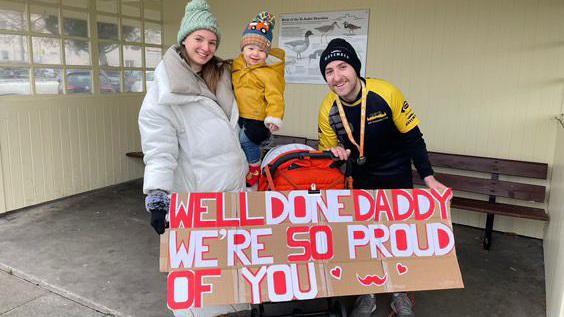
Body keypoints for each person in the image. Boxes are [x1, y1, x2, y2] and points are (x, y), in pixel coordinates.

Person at [317, 38, 447, 317]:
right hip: (360, 178)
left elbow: (414, 138)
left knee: (398, 236)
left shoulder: (386, 92)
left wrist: (428, 177)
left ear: (355, 68)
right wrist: (334, 154)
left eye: (343, 67)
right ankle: (368, 292)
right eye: (329, 71)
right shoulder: (327, 108)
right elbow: (326, 154)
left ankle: (400, 292)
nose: (337, 77)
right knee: (364, 237)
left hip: (396, 175)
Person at [138, 0, 249, 316]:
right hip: (198, 201)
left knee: (230, 278)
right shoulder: (165, 92)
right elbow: (160, 149)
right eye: (199, 39)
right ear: (184, 39)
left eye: (212, 41)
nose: (206, 47)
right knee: (201, 286)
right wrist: (157, 194)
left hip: (233, 197)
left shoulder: (221, 77)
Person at [232, 11, 285, 187]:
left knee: (245, 140)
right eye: (251, 48)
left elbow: (275, 97)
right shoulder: (237, 66)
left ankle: (255, 165)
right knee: (236, 140)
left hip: (258, 118)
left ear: (267, 53)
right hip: (240, 115)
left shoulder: (268, 74)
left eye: (261, 50)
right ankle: (245, 166)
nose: (255, 54)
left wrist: (274, 117)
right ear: (243, 49)